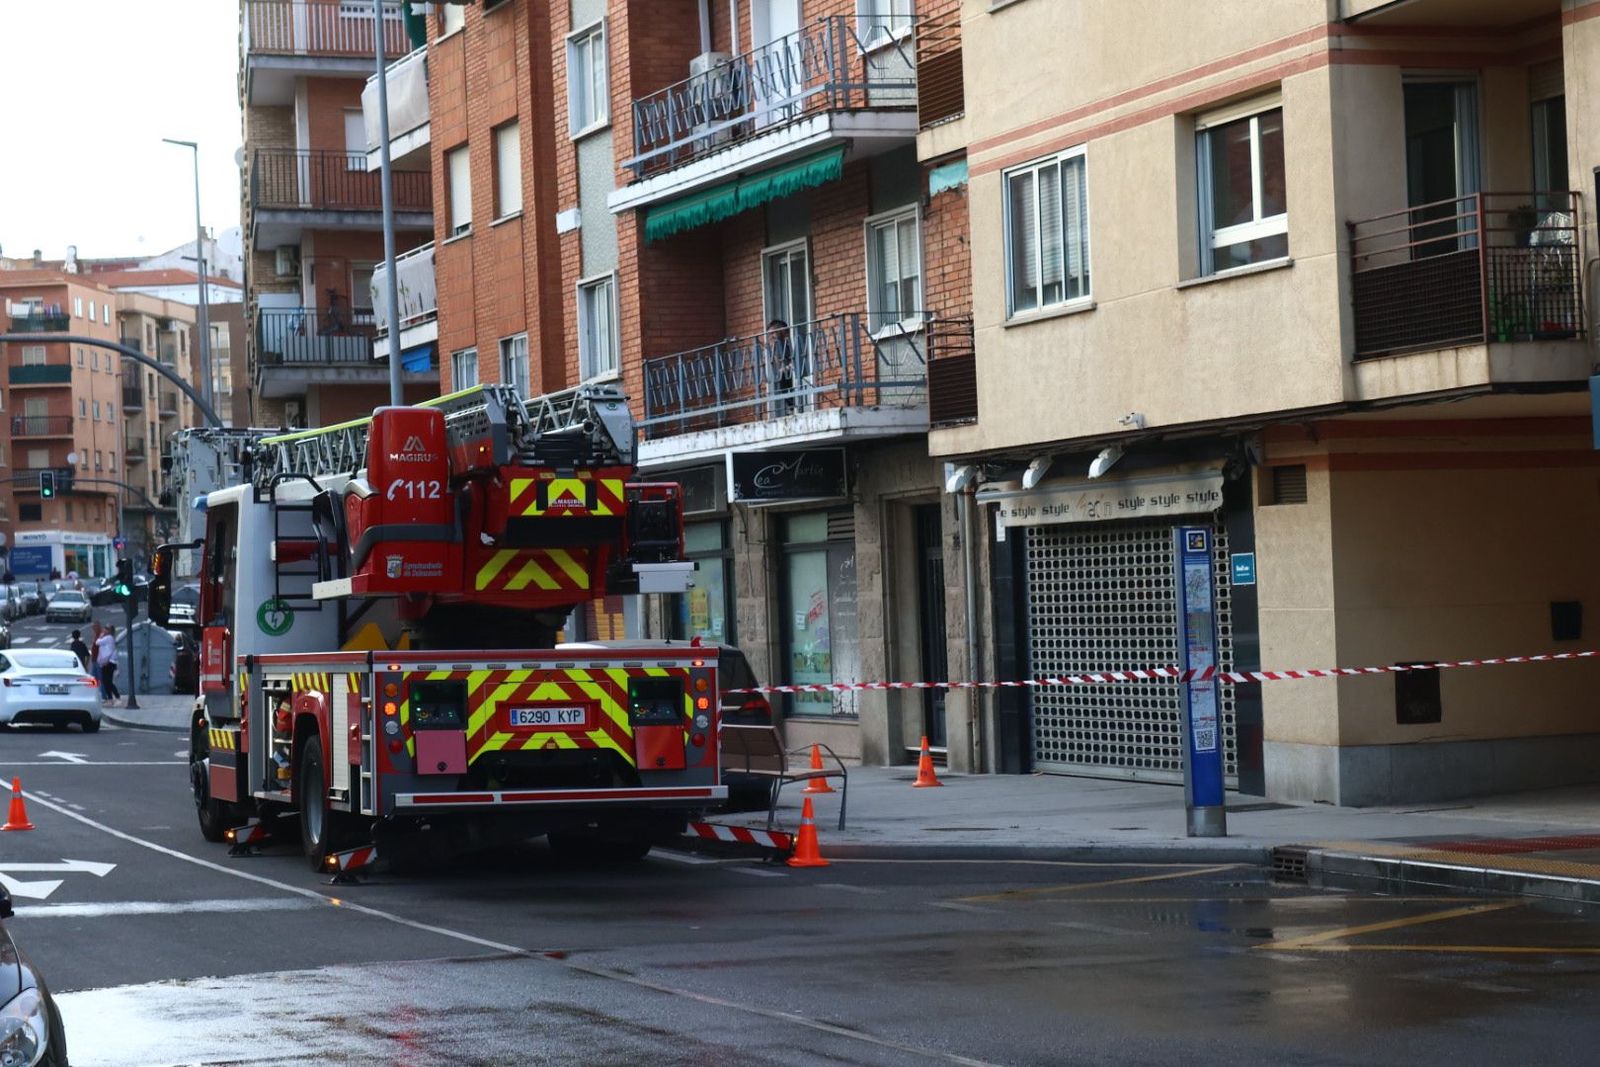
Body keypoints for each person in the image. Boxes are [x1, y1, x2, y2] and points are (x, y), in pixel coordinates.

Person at [94, 623, 120, 704]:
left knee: (107, 681)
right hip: (108, 662)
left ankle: (113, 697)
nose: (104, 630)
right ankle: (112, 697)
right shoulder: (110, 638)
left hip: (108, 663)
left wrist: (101, 636)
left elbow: (97, 642)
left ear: (109, 631)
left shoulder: (108, 638)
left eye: (106, 629)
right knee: (107, 681)